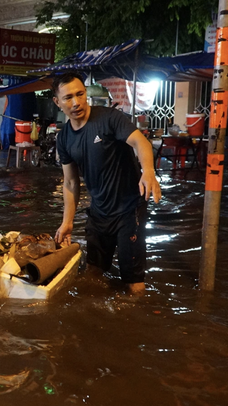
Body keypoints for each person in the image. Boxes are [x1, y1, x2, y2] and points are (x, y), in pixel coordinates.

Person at [52, 73, 162, 294]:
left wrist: (148, 171)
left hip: (129, 211)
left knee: (133, 282)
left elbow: (141, 142)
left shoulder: (110, 118)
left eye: (80, 94)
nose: (76, 102)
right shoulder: (64, 138)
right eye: (68, 97)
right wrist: (67, 222)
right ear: (57, 102)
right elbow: (71, 183)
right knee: (92, 275)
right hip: (99, 212)